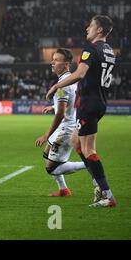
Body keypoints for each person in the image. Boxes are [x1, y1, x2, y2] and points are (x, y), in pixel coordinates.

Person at [46, 15, 117, 208]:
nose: (87, 28)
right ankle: (97, 183)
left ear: (100, 30)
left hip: (88, 103)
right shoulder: (109, 51)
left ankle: (107, 195)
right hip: (100, 101)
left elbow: (80, 74)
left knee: (88, 149)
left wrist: (55, 86)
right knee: (76, 142)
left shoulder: (91, 49)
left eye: (91, 26)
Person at [35, 49, 86, 197]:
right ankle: (64, 189)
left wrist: (46, 135)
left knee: (52, 168)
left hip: (65, 129)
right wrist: (53, 106)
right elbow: (71, 102)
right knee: (47, 155)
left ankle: (90, 165)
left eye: (56, 60)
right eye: (53, 59)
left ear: (65, 64)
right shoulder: (72, 79)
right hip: (68, 124)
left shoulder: (62, 85)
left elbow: (60, 114)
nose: (52, 62)